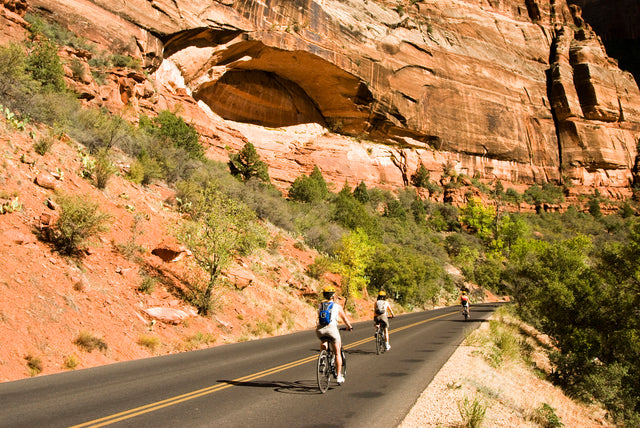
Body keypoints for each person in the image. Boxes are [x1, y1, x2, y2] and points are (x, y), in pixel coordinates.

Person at [316, 285, 353, 384]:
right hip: (332, 329)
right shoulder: (337, 306)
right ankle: (339, 376)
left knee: (324, 340)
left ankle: (323, 357)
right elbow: (344, 319)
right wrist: (349, 326)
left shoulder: (320, 305)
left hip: (320, 330)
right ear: (333, 296)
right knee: (337, 352)